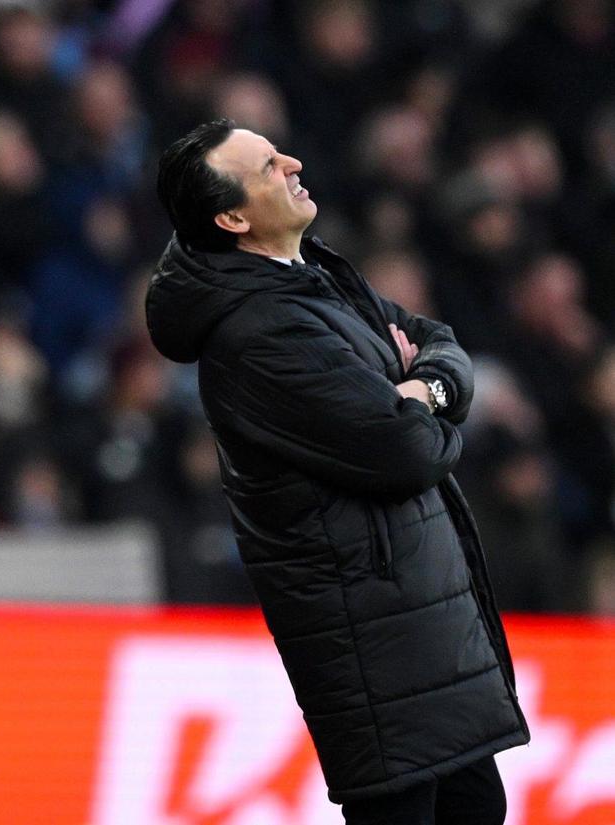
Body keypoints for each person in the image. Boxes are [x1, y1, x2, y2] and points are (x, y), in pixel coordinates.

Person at [146, 119, 530, 825]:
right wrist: (422, 405)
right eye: (268, 166)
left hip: (421, 615)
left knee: (478, 805)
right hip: (370, 635)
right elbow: (405, 451)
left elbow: (443, 346)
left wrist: (422, 391)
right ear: (232, 218)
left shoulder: (314, 276)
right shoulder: (260, 333)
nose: (293, 162)